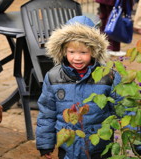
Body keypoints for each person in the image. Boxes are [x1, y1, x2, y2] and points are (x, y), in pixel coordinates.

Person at [35, 16, 122, 159]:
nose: (77, 58)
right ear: (63, 51)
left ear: (94, 51)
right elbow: (47, 113)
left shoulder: (108, 77)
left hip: (99, 148)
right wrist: (45, 144)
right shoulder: (53, 77)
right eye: (72, 52)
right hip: (68, 148)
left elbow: (124, 109)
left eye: (83, 52)